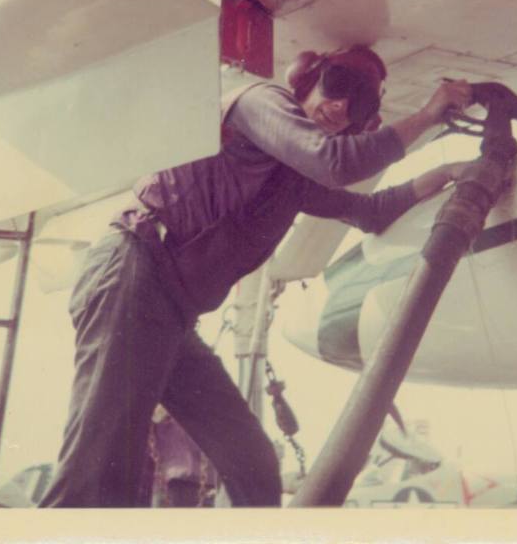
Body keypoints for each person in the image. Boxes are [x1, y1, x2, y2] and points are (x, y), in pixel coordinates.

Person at [39, 45, 473, 508]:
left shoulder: (297, 176)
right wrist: (429, 114)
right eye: (338, 85)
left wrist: (450, 171)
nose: (341, 105)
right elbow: (335, 162)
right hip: (133, 271)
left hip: (172, 312)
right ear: (309, 79)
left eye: (359, 104)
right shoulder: (260, 100)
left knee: (254, 464)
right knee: (97, 474)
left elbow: (371, 211)